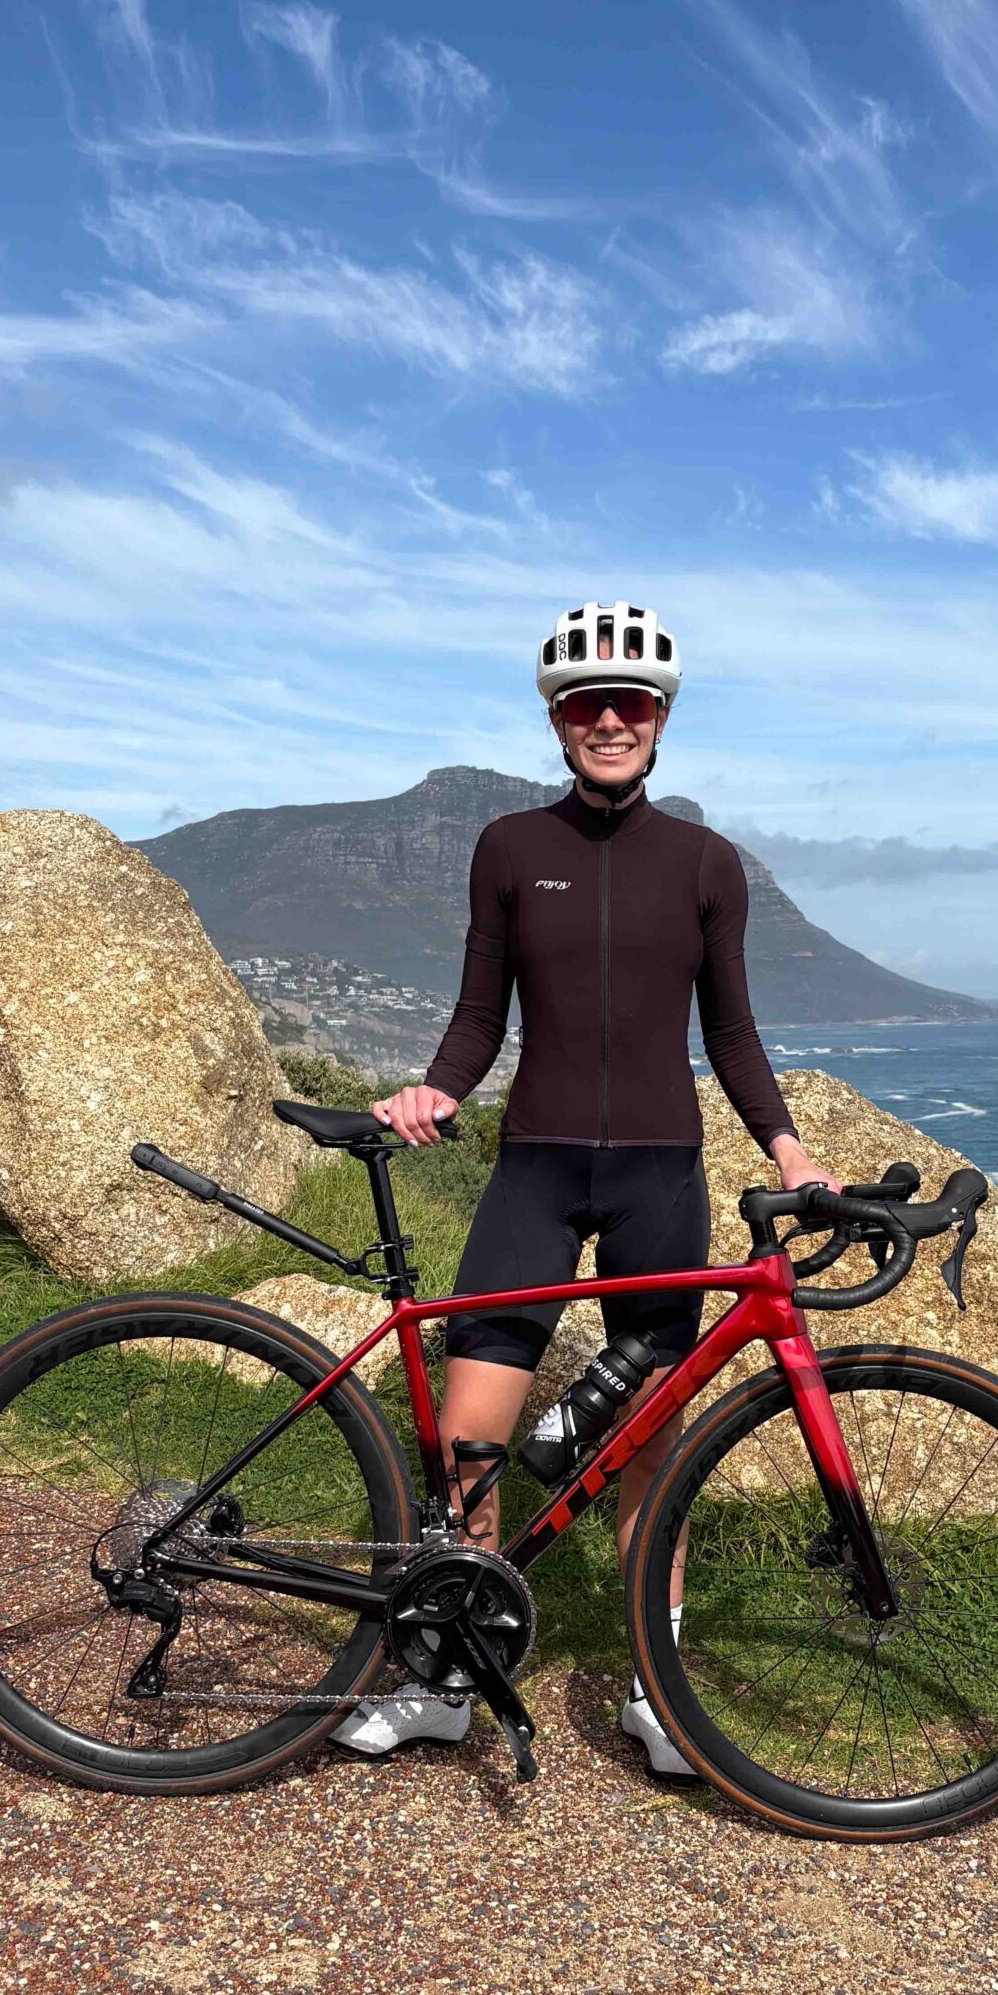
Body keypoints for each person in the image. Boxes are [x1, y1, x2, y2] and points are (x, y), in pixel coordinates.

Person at [333, 600, 837, 1775]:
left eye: (631, 703)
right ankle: (447, 1678)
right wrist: (437, 1089)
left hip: (661, 1177)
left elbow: (732, 1030)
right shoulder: (510, 847)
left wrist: (788, 1148)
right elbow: (480, 1010)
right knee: (469, 1438)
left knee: (650, 1446)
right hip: (536, 1169)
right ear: (558, 721)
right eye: (586, 705)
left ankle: (658, 1697)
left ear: (661, 717)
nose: (610, 721)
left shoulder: (706, 864)